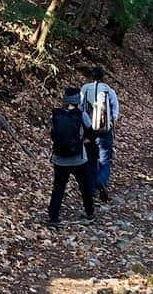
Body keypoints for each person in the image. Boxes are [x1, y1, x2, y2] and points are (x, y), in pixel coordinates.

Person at [47, 87, 95, 229]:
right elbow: (92, 134)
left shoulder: (56, 115)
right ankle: (89, 212)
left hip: (59, 159)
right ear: (78, 101)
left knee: (58, 187)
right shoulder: (82, 115)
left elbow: (52, 135)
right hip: (78, 158)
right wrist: (82, 142)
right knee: (85, 186)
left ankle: (53, 217)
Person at [80, 66, 120, 202]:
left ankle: (91, 189)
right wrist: (112, 123)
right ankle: (101, 181)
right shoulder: (109, 91)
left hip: (88, 130)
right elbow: (115, 111)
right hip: (105, 130)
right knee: (105, 159)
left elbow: (80, 108)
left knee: (90, 160)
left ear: (91, 76)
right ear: (103, 76)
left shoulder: (85, 89)